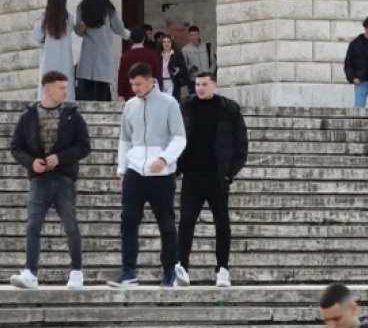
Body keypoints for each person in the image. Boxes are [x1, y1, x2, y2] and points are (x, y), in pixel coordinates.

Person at [9, 71, 91, 289]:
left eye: (66, 87)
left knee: (71, 225)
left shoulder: (73, 114)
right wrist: (31, 162)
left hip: (64, 178)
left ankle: (76, 271)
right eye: (61, 87)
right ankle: (30, 272)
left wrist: (60, 158)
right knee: (33, 225)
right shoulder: (29, 116)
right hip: (39, 179)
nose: (66, 91)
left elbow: (84, 146)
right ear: (47, 88)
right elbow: (16, 147)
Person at [109, 62, 186, 289]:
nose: (135, 88)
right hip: (135, 171)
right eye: (132, 84)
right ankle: (128, 271)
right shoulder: (130, 106)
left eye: (139, 84)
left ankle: (170, 272)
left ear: (151, 80)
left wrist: (164, 159)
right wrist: (122, 169)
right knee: (128, 221)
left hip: (161, 173)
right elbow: (125, 139)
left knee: (166, 223)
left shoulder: (169, 103)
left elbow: (179, 137)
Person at [175, 73, 249, 288]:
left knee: (222, 225)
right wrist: (177, 166)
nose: (200, 88)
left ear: (214, 85)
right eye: (197, 84)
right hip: (192, 175)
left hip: (217, 177)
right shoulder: (186, 107)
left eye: (204, 84)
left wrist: (230, 172)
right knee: (186, 223)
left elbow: (241, 143)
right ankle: (182, 266)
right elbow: (176, 135)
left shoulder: (229, 109)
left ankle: (223, 269)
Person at [75, 0, 128, 101]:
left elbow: (78, 31)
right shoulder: (109, 9)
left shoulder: (81, 7)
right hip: (104, 55)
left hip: (87, 56)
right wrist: (129, 35)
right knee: (102, 93)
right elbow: (119, 28)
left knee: (86, 94)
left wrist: (83, 28)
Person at [31, 0, 76, 102]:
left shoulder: (43, 20)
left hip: (48, 64)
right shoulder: (69, 20)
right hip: (65, 65)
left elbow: (36, 37)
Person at [118, 26, 163, 101]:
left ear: (131, 39)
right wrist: (159, 91)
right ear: (144, 38)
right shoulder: (152, 55)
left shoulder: (126, 56)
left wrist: (121, 94)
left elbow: (122, 77)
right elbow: (157, 75)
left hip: (131, 93)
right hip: (149, 93)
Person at [182, 26, 217, 95]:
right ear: (189, 36)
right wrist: (190, 68)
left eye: (195, 35)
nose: (194, 37)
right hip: (194, 81)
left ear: (199, 35)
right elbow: (184, 66)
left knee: (209, 99)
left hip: (207, 79)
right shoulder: (185, 49)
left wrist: (210, 73)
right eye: (192, 35)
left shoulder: (207, 46)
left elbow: (213, 61)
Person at [158, 35, 190, 99]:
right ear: (161, 44)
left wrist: (178, 70)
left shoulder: (177, 54)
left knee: (171, 101)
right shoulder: (158, 54)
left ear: (171, 43)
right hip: (161, 82)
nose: (166, 44)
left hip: (172, 81)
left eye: (168, 42)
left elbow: (183, 68)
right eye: (164, 42)